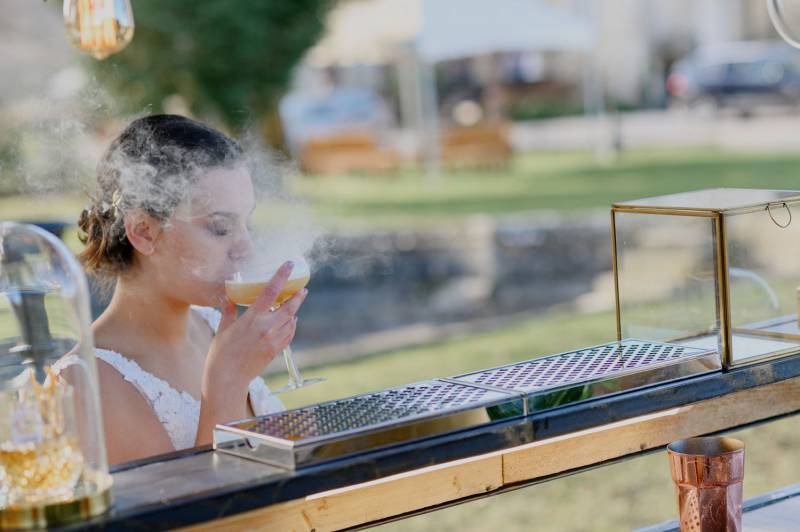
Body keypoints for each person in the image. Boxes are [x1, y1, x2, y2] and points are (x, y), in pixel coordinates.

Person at [55, 115, 305, 465]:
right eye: (220, 228)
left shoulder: (213, 328)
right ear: (143, 231)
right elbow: (197, 517)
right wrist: (228, 383)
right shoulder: (84, 385)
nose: (246, 249)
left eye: (245, 224)